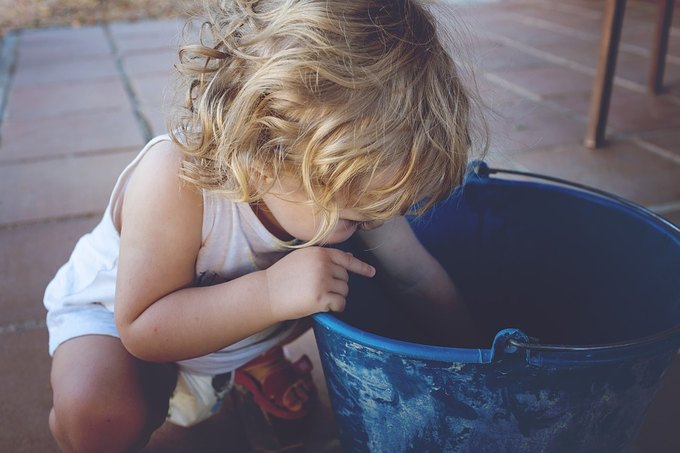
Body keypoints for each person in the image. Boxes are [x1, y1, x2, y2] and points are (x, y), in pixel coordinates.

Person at [44, 0, 485, 451]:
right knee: (101, 418)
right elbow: (143, 327)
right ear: (262, 159)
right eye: (358, 215)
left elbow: (415, 278)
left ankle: (252, 358)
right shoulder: (174, 180)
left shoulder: (350, 184)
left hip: (237, 329)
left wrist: (478, 363)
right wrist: (271, 294)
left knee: (359, 286)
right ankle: (238, 361)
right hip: (125, 326)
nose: (376, 221)